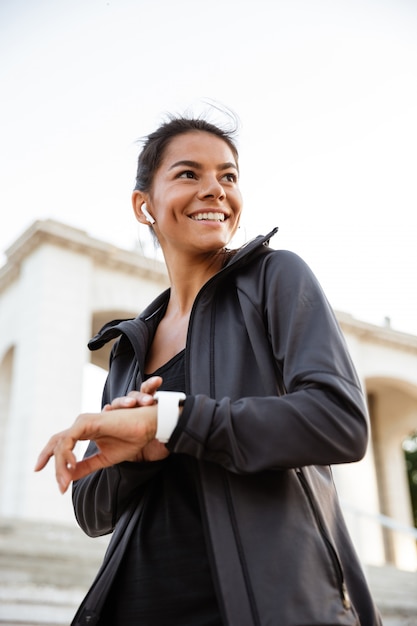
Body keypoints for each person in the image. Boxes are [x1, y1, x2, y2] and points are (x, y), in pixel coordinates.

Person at [35, 112, 383, 626]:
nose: (215, 189)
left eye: (228, 176)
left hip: (265, 607)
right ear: (143, 206)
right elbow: (91, 511)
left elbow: (340, 421)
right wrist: (135, 453)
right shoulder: (130, 349)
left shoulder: (274, 278)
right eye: (188, 174)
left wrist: (172, 420)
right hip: (137, 605)